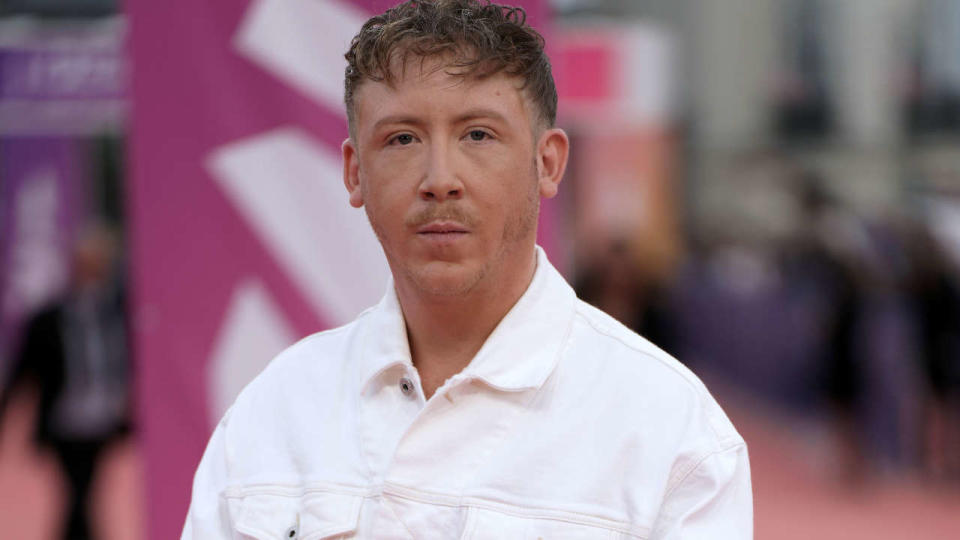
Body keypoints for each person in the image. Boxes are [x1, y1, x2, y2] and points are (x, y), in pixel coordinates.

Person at [182, 1, 752, 537]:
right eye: (402, 138)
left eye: (478, 134)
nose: (440, 178)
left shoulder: (671, 431)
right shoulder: (275, 409)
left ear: (547, 162)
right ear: (355, 173)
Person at [1, 221, 131, 540]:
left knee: (83, 493)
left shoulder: (117, 314)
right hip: (65, 422)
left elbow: (129, 364)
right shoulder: (49, 318)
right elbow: (24, 372)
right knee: (78, 491)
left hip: (103, 420)